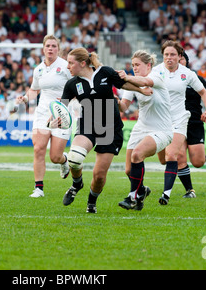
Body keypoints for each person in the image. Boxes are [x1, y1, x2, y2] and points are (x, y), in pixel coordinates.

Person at [60, 47, 152, 213]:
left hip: (110, 128)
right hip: (87, 124)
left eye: (70, 63)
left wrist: (141, 90)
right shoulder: (72, 84)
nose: (67, 66)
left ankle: (91, 202)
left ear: (82, 63)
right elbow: (61, 106)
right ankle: (76, 184)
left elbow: (124, 83)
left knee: (99, 175)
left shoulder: (105, 72)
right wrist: (55, 118)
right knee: (74, 158)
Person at [153, 40, 206, 205]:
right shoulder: (155, 71)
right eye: (166, 54)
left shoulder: (188, 74)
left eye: (173, 54)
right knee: (164, 159)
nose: (169, 58)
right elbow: (144, 86)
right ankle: (139, 191)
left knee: (176, 155)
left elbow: (205, 93)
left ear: (180, 57)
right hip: (159, 120)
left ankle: (167, 195)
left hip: (181, 119)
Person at [15, 35, 72, 198]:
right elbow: (34, 90)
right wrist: (25, 99)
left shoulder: (66, 66)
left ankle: (64, 160)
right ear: (43, 48)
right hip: (42, 113)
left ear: (58, 49)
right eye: (48, 46)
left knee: (55, 157)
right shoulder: (38, 69)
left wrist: (66, 102)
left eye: (54, 46)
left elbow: (76, 87)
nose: (51, 48)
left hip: (61, 113)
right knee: (38, 149)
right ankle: (38, 188)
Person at [117, 50, 172, 211]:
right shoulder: (133, 82)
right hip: (141, 127)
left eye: (137, 65)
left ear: (148, 65)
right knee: (128, 169)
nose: (134, 68)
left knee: (137, 155)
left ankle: (132, 197)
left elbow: (145, 81)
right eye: (133, 65)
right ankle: (142, 191)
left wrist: (126, 77)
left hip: (162, 130)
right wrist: (114, 100)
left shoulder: (156, 77)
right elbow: (124, 106)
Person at [177, 52, 206, 198]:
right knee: (180, 156)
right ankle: (189, 190)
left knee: (198, 162)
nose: (178, 61)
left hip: (194, 122)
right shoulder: (166, 79)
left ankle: (200, 155)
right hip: (175, 122)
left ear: (186, 62)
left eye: (181, 59)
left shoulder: (194, 78)